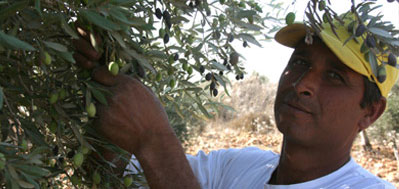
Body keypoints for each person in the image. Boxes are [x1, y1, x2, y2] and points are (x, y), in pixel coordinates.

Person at [73, 12, 397, 188]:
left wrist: (154, 139)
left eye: (335, 76)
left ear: (370, 112)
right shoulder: (241, 166)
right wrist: (102, 85)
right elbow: (117, 172)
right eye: (300, 62)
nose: (303, 84)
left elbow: (158, 160)